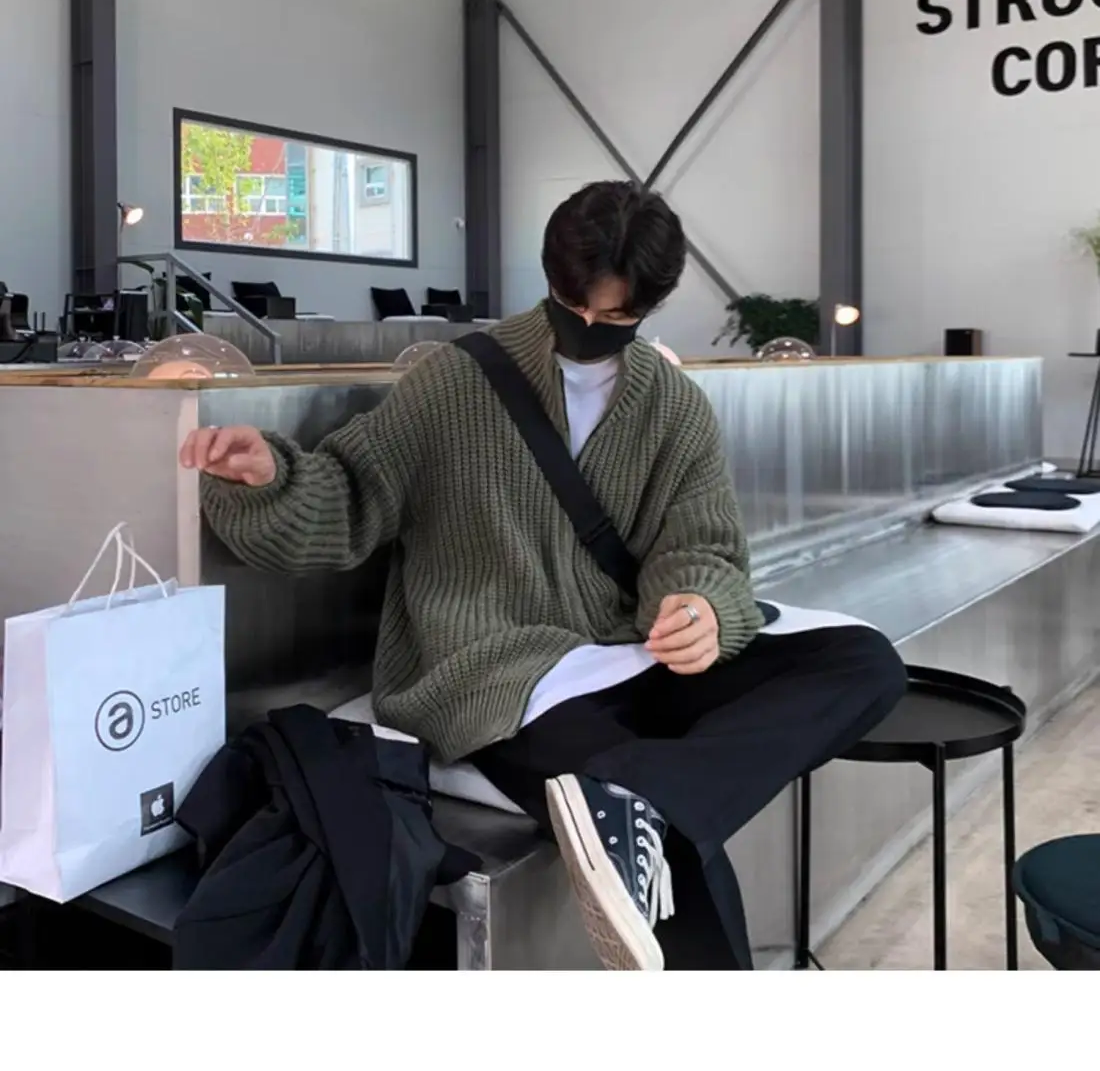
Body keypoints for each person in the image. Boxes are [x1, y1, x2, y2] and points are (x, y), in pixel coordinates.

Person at [180, 181, 906, 971]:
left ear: (652, 304)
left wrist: (700, 606)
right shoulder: (456, 382)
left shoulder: (674, 407)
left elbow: (699, 545)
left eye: (614, 316)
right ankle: (647, 811)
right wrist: (271, 480)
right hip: (494, 673)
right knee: (665, 837)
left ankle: (639, 794)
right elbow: (351, 497)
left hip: (627, 653)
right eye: (572, 303)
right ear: (552, 275)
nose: (587, 323)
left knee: (865, 661)